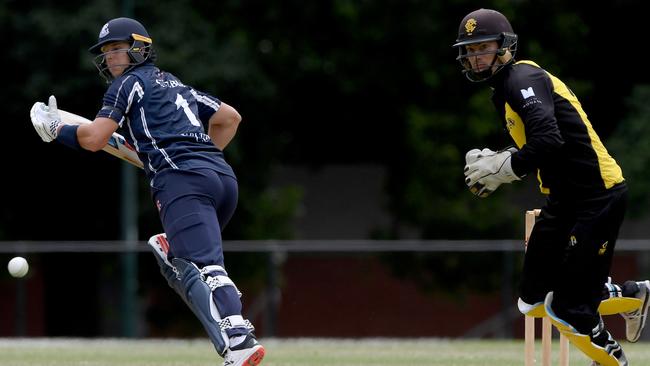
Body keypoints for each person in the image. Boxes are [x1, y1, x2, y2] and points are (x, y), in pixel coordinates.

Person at [29, 17, 264, 366]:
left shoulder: (127, 85)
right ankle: (227, 336)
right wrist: (199, 157)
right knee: (184, 261)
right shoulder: (176, 84)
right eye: (106, 53)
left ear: (140, 48)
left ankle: (238, 336)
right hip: (222, 178)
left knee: (207, 266)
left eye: (116, 49)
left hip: (182, 182)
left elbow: (94, 138)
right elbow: (230, 118)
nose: (110, 58)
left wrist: (56, 129)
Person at [454, 8, 650, 366]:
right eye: (469, 50)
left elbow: (548, 140)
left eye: (483, 47)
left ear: (505, 47)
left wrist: (505, 168)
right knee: (531, 301)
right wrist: (508, 160)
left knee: (567, 308)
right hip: (564, 199)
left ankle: (613, 361)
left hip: (596, 195)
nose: (475, 57)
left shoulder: (521, 77)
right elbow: (546, 142)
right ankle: (633, 296)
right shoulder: (504, 90)